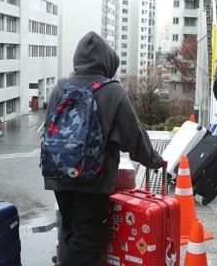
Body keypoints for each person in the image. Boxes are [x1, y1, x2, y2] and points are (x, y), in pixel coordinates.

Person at [44, 31, 164, 266]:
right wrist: (155, 160)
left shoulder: (60, 87)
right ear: (107, 62)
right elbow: (135, 138)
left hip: (59, 174)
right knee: (87, 242)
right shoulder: (112, 91)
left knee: (70, 232)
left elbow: (49, 128)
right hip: (93, 180)